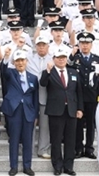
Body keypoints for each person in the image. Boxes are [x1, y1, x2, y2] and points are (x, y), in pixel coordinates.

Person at [40, 48, 84, 176]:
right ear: (54, 59)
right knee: (56, 140)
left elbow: (79, 93)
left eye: (64, 57)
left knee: (71, 140)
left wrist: (80, 109)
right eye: (59, 57)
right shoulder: (49, 72)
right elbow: (42, 83)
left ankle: (68, 166)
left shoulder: (73, 72)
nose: (61, 59)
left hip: (71, 110)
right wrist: (48, 71)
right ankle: (57, 166)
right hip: (56, 111)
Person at [0, 50, 39, 176]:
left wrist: (36, 114)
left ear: (26, 62)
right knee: (14, 139)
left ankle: (27, 166)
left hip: (28, 112)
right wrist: (6, 57)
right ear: (14, 63)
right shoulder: (10, 74)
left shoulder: (33, 78)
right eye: (17, 61)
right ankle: (14, 166)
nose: (20, 63)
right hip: (14, 110)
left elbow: (35, 97)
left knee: (28, 140)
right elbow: (3, 70)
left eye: (22, 60)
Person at [67, 32, 99, 159]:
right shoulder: (74, 58)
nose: (85, 46)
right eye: (82, 43)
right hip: (77, 97)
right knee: (78, 124)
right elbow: (67, 68)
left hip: (92, 96)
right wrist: (71, 54)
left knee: (91, 124)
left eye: (87, 43)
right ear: (78, 44)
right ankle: (78, 148)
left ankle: (89, 148)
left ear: (91, 44)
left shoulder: (97, 59)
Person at [26, 36, 53, 159]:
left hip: (46, 95)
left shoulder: (53, 59)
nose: (41, 47)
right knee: (29, 123)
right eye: (39, 45)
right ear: (35, 46)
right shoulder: (28, 59)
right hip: (30, 94)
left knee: (45, 124)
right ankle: (28, 149)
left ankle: (43, 149)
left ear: (48, 46)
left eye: (44, 45)